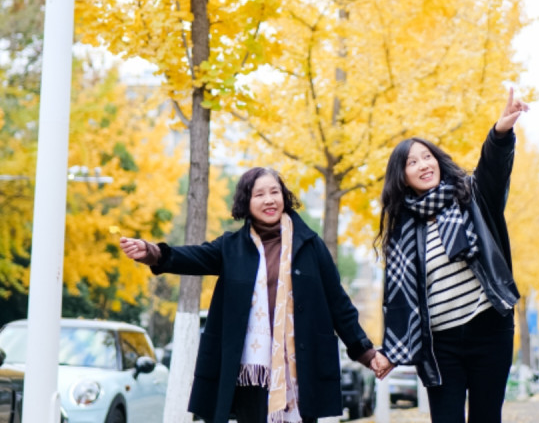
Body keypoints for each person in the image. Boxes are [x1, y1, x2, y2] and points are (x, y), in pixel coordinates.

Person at [120, 166, 385, 423]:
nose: (269, 200)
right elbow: (193, 257)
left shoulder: (310, 245)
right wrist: (153, 252)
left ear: (284, 197)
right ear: (246, 202)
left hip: (301, 368)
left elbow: (338, 303)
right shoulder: (232, 247)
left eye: (275, 192)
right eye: (259, 194)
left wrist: (365, 352)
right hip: (251, 370)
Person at [373, 88, 528, 423]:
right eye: (412, 162)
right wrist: (389, 350)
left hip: (489, 328)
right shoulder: (402, 231)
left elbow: (493, 170)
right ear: (402, 177)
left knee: (486, 417)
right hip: (440, 343)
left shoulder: (472, 197)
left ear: (438, 160)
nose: (423, 165)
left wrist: (501, 131)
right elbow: (398, 299)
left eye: (427, 156)